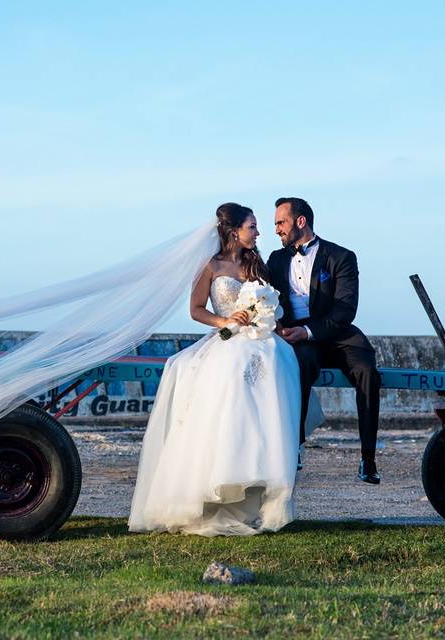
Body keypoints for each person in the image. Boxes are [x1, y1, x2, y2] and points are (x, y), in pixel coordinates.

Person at [128, 203, 322, 536]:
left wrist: (266, 319)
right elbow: (196, 309)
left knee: (278, 362)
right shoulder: (210, 266)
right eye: (252, 227)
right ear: (234, 232)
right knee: (232, 373)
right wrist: (225, 321)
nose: (258, 233)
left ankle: (264, 484)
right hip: (228, 335)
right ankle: (224, 481)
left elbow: (270, 304)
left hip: (261, 336)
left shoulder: (255, 264)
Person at [268, 197, 382, 485]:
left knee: (368, 372)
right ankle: (294, 447)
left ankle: (368, 459)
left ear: (300, 221)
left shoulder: (341, 257)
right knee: (300, 366)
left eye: (281, 222)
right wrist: (286, 330)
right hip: (295, 336)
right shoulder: (275, 259)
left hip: (336, 333)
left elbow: (346, 310)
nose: (277, 229)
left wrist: (309, 331)